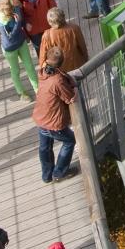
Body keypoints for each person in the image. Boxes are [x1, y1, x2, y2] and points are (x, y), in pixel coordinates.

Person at [33, 54, 78, 184]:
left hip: (41, 118)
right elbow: (69, 98)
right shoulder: (57, 80)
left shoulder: (42, 73)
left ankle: (47, 176)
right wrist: (74, 89)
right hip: (52, 122)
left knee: (45, 147)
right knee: (70, 140)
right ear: (60, 64)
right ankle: (59, 172)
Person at [0, 0, 34, 99]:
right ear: (9, 4)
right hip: (10, 48)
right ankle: (21, 93)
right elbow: (9, 38)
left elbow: (21, 19)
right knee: (15, 70)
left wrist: (24, 23)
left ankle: (38, 88)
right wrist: (17, 23)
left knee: (30, 66)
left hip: (21, 42)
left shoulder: (16, 8)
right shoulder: (1, 20)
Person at [39, 8, 88, 74]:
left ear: (49, 22)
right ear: (63, 17)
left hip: (58, 71)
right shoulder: (74, 28)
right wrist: (86, 59)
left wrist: (42, 70)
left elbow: (43, 56)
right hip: (75, 66)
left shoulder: (47, 35)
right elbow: (82, 47)